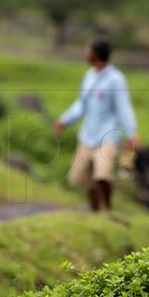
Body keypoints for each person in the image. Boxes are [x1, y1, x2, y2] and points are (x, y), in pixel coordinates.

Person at [54, 38, 139, 211]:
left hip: (107, 136)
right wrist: (65, 120)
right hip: (87, 135)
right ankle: (95, 212)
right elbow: (81, 104)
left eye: (88, 51)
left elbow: (124, 108)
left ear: (96, 54)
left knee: (102, 175)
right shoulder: (89, 76)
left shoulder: (116, 79)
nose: (85, 54)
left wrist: (132, 134)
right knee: (79, 178)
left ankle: (107, 208)